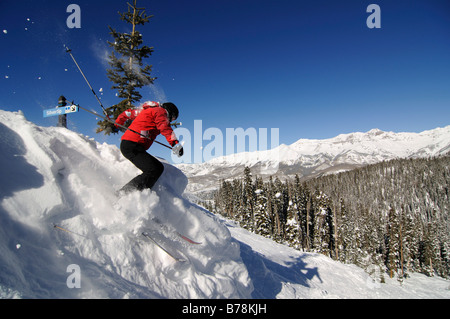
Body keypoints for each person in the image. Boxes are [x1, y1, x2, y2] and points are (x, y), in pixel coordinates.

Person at [115, 101, 184, 194]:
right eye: (173, 117)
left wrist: (117, 123)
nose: (171, 120)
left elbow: (128, 113)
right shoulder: (160, 111)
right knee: (154, 169)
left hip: (131, 145)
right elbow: (164, 127)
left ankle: (130, 193)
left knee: (156, 168)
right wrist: (175, 144)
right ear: (170, 112)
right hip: (133, 145)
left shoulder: (147, 110)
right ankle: (126, 193)